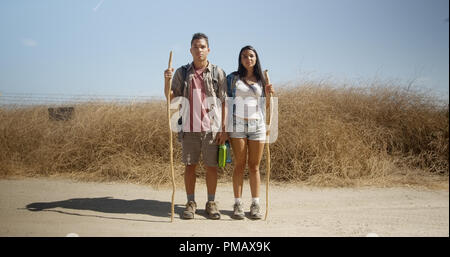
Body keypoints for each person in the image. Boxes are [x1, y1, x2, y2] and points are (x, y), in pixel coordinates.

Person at [164, 33, 228, 220]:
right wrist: (166, 80)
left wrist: (224, 128)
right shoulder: (182, 72)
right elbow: (171, 98)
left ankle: (211, 203)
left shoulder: (218, 72)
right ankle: (191, 202)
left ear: (208, 50)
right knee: (190, 166)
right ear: (190, 50)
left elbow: (224, 101)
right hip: (189, 128)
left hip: (212, 129)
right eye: (195, 46)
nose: (199, 50)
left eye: (202, 46)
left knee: (211, 167)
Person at [226, 45, 274, 220]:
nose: (248, 59)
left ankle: (255, 204)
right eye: (245, 56)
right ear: (240, 59)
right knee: (239, 164)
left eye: (252, 56)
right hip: (237, 124)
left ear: (256, 58)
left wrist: (268, 94)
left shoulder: (262, 79)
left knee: (254, 166)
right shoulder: (233, 78)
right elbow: (227, 103)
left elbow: (265, 106)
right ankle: (238, 204)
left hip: (257, 125)